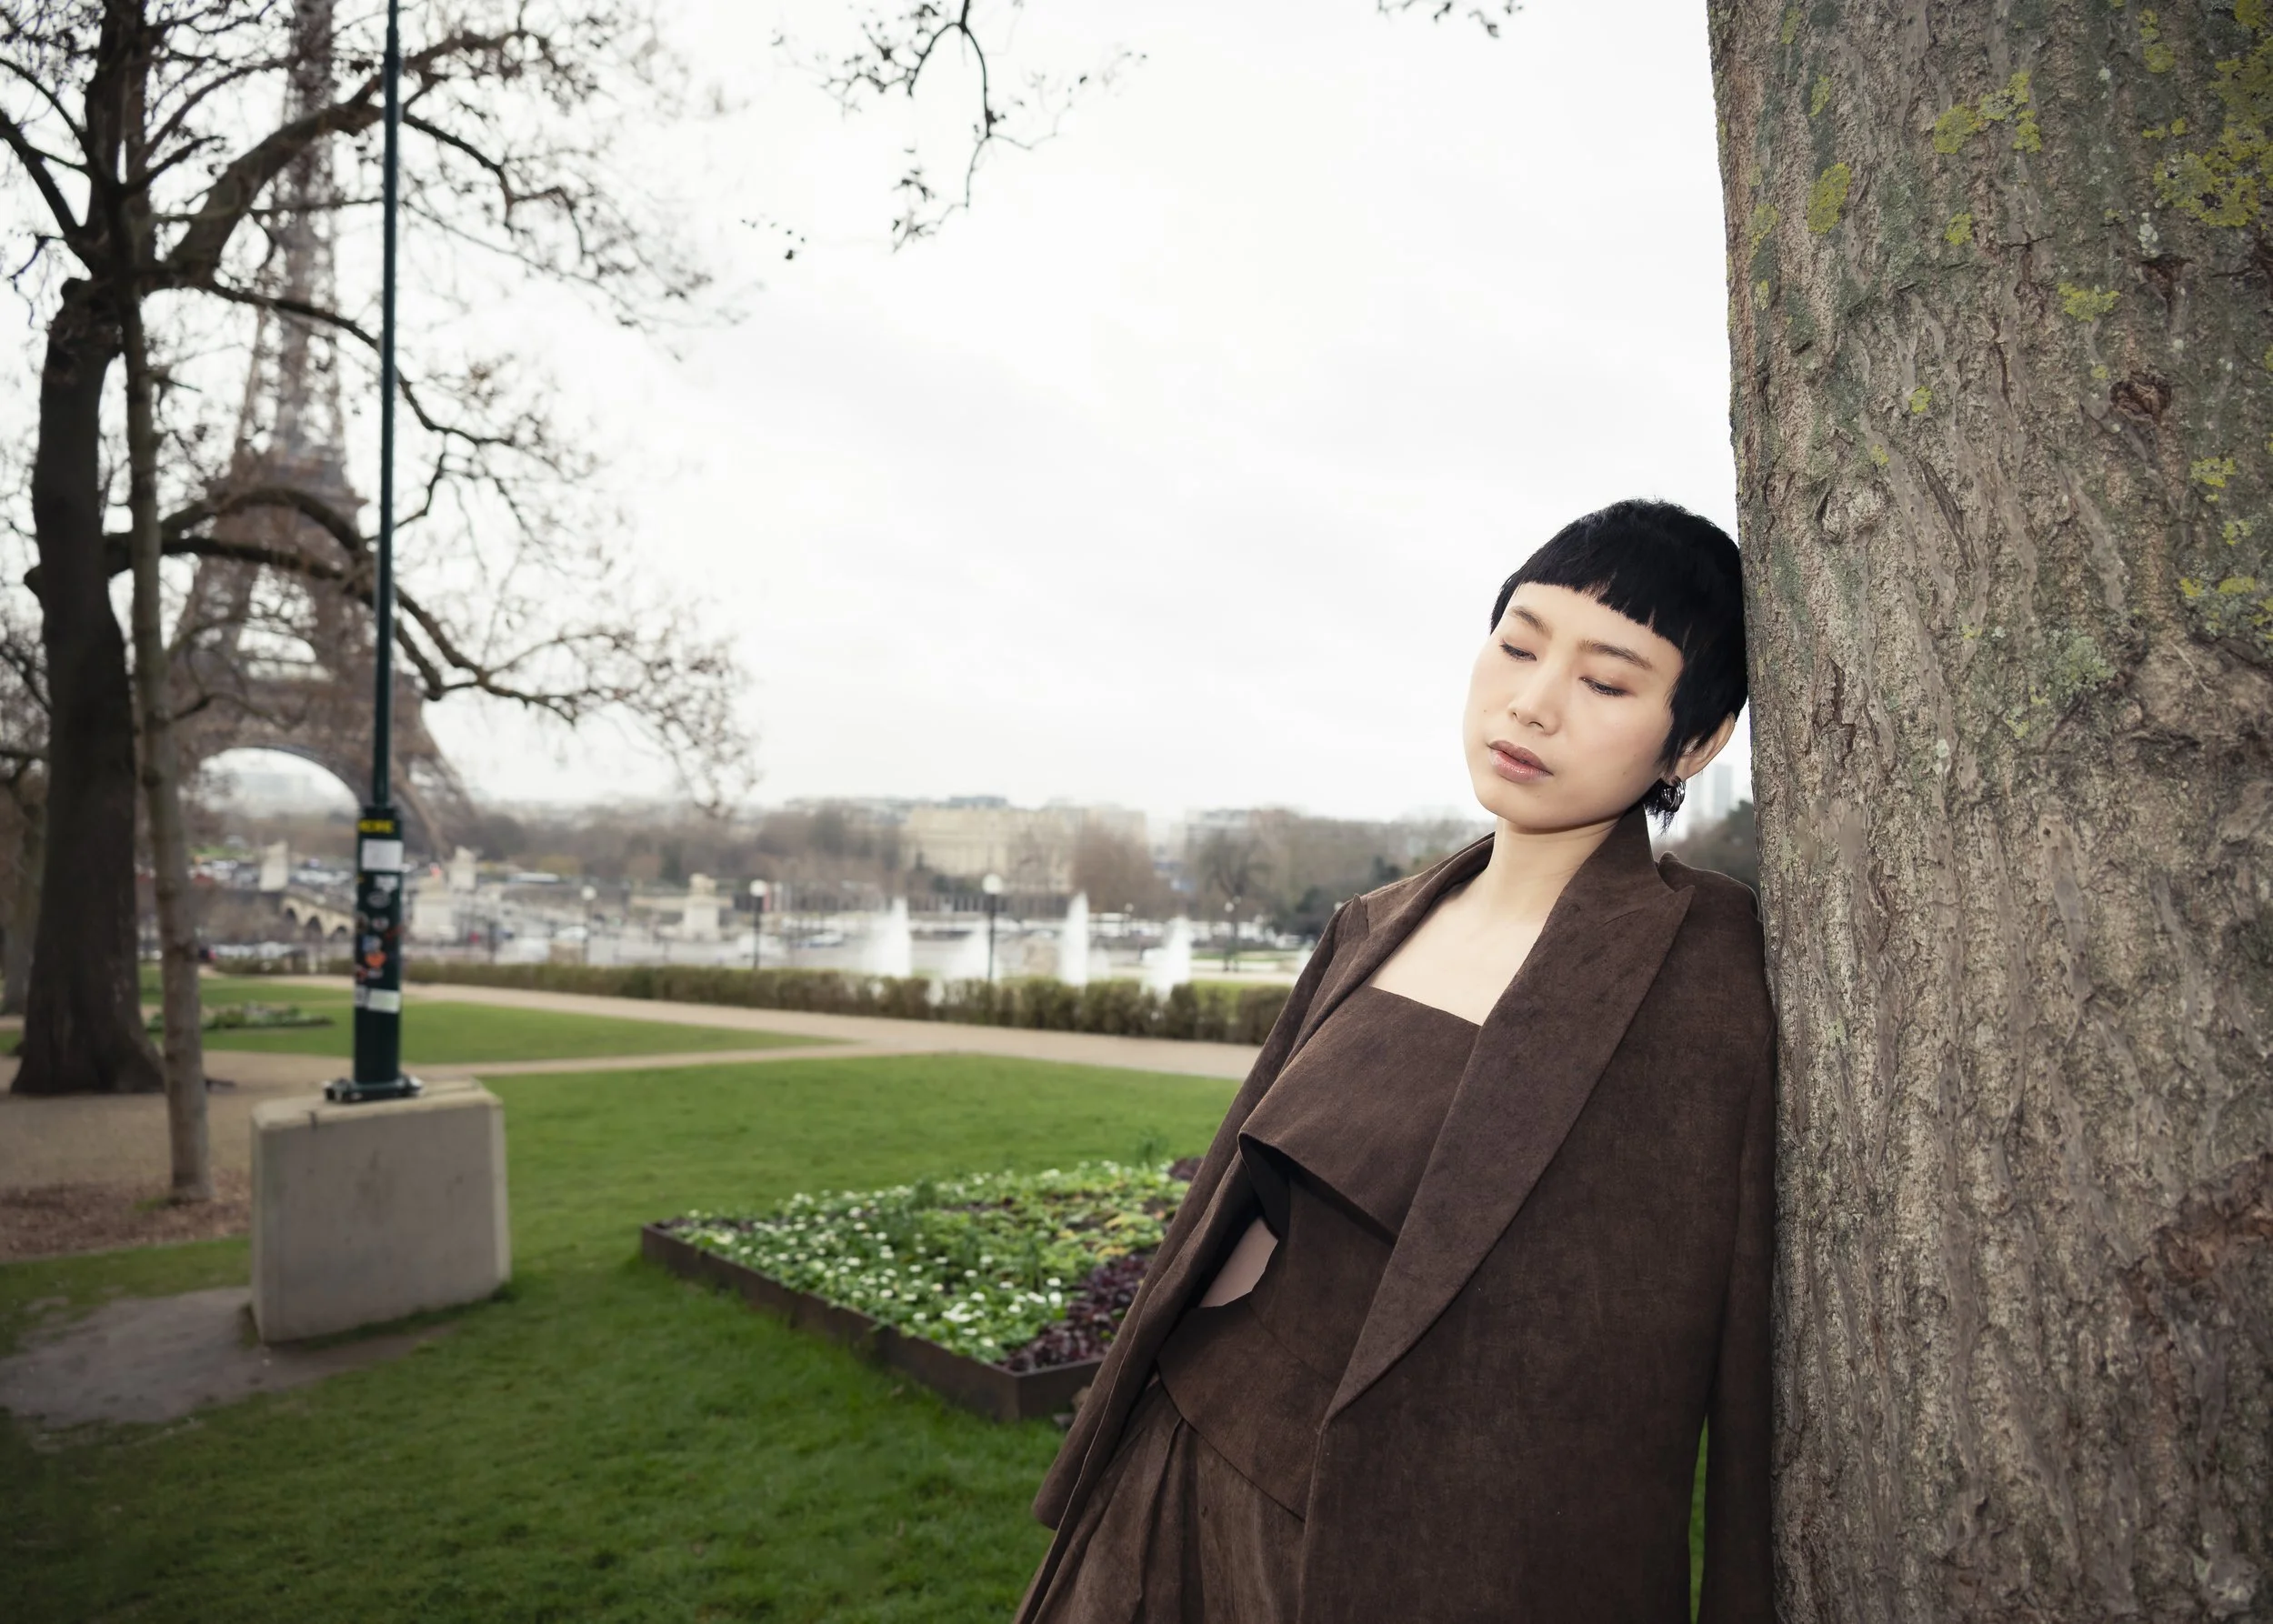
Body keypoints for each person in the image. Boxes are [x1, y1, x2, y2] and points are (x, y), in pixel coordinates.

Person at [1016, 499, 1775, 1624]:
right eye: (1517, 645)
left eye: (1606, 682)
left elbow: (1736, 1355)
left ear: (1693, 742)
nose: (1532, 700)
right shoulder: (1380, 920)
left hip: (1425, 1556)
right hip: (1173, 1480)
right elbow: (1225, 1210)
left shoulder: (1704, 967)